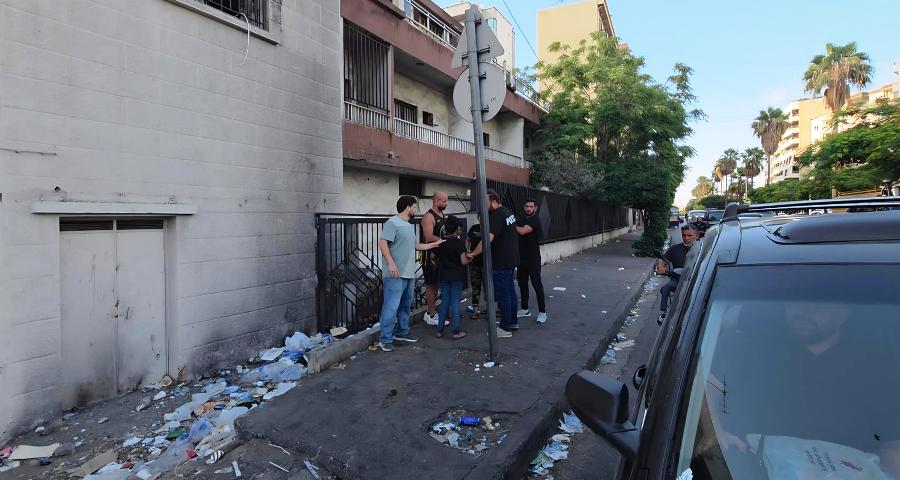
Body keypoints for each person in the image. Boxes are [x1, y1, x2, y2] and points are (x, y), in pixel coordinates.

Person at [378, 195, 444, 352]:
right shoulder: (392, 223)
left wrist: (435, 243)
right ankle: (385, 339)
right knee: (391, 307)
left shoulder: (407, 225)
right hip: (394, 274)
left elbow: (416, 246)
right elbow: (383, 243)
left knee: (405, 305)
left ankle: (402, 332)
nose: (416, 210)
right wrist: (391, 264)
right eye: (414, 207)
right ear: (408, 207)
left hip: (408, 273)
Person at [467, 189, 519, 338]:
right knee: (510, 291)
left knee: (503, 294)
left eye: (485, 202)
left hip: (501, 261)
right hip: (510, 259)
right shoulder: (507, 212)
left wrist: (472, 254)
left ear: (494, 202)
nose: (482, 205)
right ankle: (512, 322)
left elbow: (487, 240)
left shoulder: (496, 215)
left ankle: (505, 328)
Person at [434, 215, 471, 339]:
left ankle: (439, 330)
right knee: (455, 302)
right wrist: (470, 257)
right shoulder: (459, 243)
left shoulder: (441, 242)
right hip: (456, 275)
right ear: (457, 229)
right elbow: (463, 261)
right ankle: (456, 331)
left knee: (444, 302)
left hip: (444, 275)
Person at [656, 224, 700, 321]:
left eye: (690, 235)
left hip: (699, 279)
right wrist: (661, 267)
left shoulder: (703, 249)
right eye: (684, 235)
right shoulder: (674, 249)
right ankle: (665, 314)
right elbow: (663, 261)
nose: (686, 238)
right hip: (678, 279)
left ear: (697, 235)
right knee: (665, 288)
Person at [516, 198, 547, 323]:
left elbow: (522, 231)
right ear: (524, 207)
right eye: (527, 206)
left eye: (531, 206)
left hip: (533, 258)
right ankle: (524, 309)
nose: (529, 208)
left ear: (535, 208)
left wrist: (512, 225)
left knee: (537, 284)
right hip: (521, 258)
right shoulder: (521, 219)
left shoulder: (535, 220)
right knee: (522, 284)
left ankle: (542, 312)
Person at [420, 192, 448, 326]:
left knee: (437, 284)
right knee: (431, 284)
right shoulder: (428, 216)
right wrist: (446, 240)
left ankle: (432, 311)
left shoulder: (442, 215)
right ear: (436, 201)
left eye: (446, 201)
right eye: (444, 201)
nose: (446, 203)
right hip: (429, 256)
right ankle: (431, 314)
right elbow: (428, 236)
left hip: (440, 255)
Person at [465, 223, 484, 319]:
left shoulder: (490, 227)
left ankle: (491, 308)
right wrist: (467, 249)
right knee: (475, 287)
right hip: (474, 262)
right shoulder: (474, 228)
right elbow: (467, 239)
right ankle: (475, 310)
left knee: (488, 287)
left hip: (486, 263)